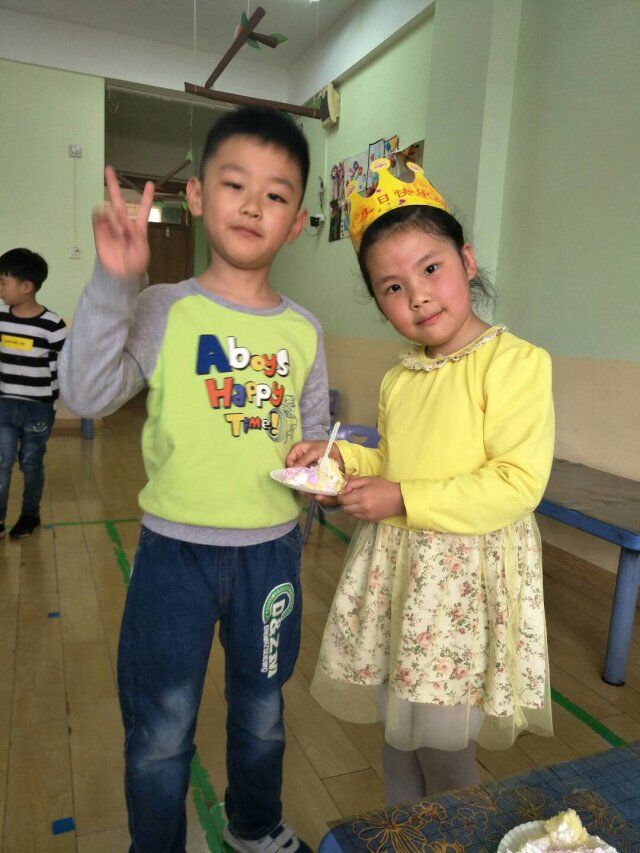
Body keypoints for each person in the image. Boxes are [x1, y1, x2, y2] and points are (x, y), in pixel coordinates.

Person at [59, 107, 329, 853]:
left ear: (296, 223)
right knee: (160, 726)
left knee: (262, 712)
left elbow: (310, 436)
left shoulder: (303, 329)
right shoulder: (164, 307)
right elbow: (85, 394)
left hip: (271, 555)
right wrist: (114, 283)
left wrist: (324, 467)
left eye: (276, 195)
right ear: (200, 197)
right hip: (173, 557)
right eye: (235, 184)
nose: (254, 205)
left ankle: (253, 827)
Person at [287, 157, 555, 806]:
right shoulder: (400, 378)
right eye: (392, 287)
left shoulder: (515, 363)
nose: (417, 296)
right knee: (399, 730)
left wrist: (402, 498)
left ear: (467, 260)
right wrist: (341, 463)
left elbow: (516, 483)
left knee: (444, 743)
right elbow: (394, 460)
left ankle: (449, 836)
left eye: (430, 268)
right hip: (401, 574)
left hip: (461, 584)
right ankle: (405, 833)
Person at [0, 248, 67, 538]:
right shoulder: (1, 319)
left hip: (38, 408)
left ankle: (30, 516)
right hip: (4, 404)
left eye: (3, 282)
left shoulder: (52, 325)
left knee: (30, 463)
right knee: (1, 462)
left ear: (26, 287)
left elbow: (68, 366)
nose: (0, 289)